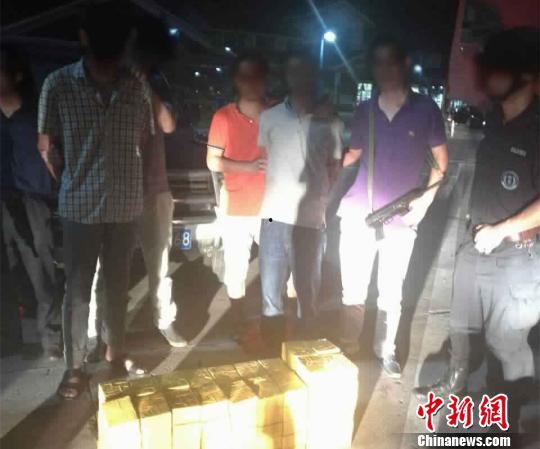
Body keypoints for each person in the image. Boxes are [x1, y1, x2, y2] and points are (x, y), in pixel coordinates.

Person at [414, 28, 540, 430]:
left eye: (500, 67)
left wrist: (502, 229)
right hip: (475, 243)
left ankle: (511, 419)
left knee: (507, 341)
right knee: (461, 327)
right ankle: (455, 385)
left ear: (526, 75)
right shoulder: (495, 120)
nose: (489, 76)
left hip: (516, 256)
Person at [38, 2, 153, 399]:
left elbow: (143, 138)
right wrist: (75, 181)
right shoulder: (58, 84)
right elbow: (47, 147)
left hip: (124, 205)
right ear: (85, 37)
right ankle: (74, 367)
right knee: (77, 290)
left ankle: (114, 352)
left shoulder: (136, 87)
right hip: (79, 207)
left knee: (117, 285)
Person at [337, 35, 448, 378]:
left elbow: (441, 164)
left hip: (400, 219)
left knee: (391, 291)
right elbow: (352, 155)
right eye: (378, 63)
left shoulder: (425, 109)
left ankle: (386, 350)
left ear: (403, 65)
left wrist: (424, 203)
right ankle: (348, 345)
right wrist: (322, 162)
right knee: (353, 288)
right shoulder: (365, 110)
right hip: (359, 212)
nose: (384, 69)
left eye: (391, 62)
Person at [257, 52, 343, 350]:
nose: (299, 77)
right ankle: (271, 356)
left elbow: (334, 168)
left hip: (310, 221)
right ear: (287, 76)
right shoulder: (269, 118)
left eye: (305, 71)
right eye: (293, 71)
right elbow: (268, 157)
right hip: (272, 217)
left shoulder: (330, 124)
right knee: (271, 296)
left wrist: (318, 201)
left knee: (308, 297)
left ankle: (306, 358)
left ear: (313, 76)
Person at [0, 44, 62, 359]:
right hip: (3, 200)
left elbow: (53, 154)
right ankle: (10, 339)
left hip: (34, 200)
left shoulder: (37, 113)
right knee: (7, 271)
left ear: (16, 75)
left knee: (41, 270)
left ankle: (50, 338)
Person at [206, 52, 269, 341]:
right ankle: (240, 322)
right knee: (236, 268)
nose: (251, 83)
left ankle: (277, 322)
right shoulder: (223, 117)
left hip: (272, 207)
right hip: (236, 207)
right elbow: (212, 161)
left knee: (279, 265)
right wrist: (249, 167)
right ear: (236, 80)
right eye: (245, 77)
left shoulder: (277, 115)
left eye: (257, 76)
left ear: (265, 79)